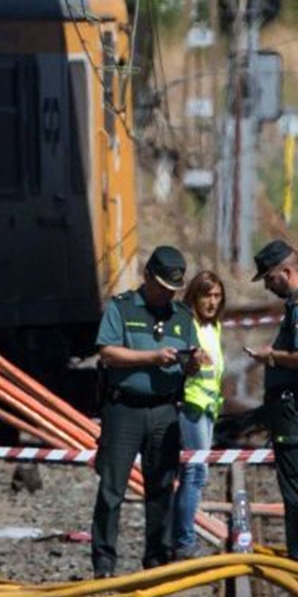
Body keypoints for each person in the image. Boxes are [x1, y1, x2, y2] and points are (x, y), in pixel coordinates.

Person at [91, 246, 203, 576]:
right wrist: (152, 358)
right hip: (123, 409)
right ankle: (104, 561)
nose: (167, 295)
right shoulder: (122, 308)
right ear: (147, 278)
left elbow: (191, 365)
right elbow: (108, 353)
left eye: (173, 290)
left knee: (161, 488)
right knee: (112, 489)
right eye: (162, 288)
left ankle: (157, 557)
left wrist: (193, 363)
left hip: (164, 410)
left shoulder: (182, 317)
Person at [247, 239, 298, 564]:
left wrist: (272, 357)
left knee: (297, 486)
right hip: (295, 406)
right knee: (297, 484)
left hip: (295, 408)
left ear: (286, 271)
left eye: (269, 278)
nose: (267, 285)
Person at [171, 270, 226, 560]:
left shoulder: (212, 327)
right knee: (194, 472)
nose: (212, 302)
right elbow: (182, 365)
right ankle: (184, 540)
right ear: (195, 296)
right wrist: (191, 363)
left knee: (196, 473)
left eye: (217, 296)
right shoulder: (188, 325)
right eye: (207, 295)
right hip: (191, 406)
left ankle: (181, 536)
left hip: (206, 407)